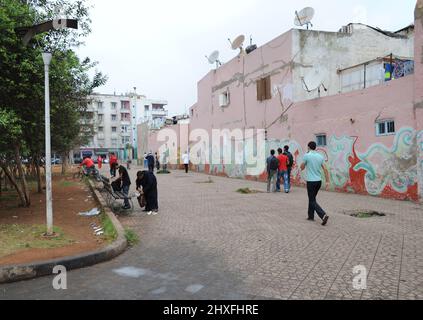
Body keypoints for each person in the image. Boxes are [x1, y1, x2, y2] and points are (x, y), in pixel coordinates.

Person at [301, 141, 330, 226]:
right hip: (318, 181)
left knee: (312, 199)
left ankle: (323, 215)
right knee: (312, 198)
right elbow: (325, 169)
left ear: (309, 147)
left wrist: (305, 162)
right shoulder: (320, 156)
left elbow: (302, 167)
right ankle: (310, 216)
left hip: (311, 181)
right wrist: (327, 181)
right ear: (315, 147)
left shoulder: (307, 155)